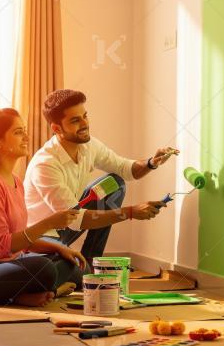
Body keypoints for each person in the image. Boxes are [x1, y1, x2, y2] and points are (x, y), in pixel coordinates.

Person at [0, 108, 86, 307]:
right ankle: (46, 292)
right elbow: (2, 247)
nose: (26, 137)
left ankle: (26, 294)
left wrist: (60, 248)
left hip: (3, 268)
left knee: (70, 265)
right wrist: (50, 223)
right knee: (43, 268)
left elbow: (21, 240)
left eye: (24, 130)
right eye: (18, 132)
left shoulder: (16, 182)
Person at [23, 89, 175, 262]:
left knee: (114, 184)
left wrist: (152, 162)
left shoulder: (89, 145)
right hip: (43, 236)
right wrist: (130, 212)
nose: (84, 124)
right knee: (55, 269)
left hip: (69, 222)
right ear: (57, 128)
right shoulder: (46, 164)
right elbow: (76, 219)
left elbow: (125, 169)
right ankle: (75, 269)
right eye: (75, 120)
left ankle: (91, 262)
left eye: (85, 116)